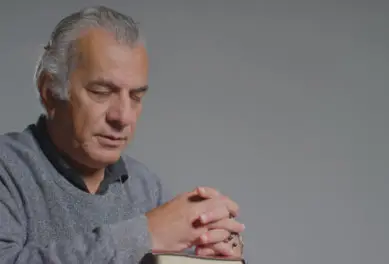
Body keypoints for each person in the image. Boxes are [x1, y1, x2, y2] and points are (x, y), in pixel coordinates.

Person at [0, 5, 246, 264]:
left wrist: (218, 255)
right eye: (101, 92)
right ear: (49, 92)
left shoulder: (146, 187)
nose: (124, 117)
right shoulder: (7, 170)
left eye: (136, 96)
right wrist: (144, 234)